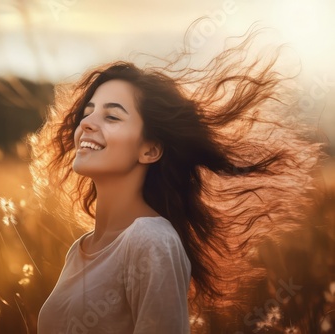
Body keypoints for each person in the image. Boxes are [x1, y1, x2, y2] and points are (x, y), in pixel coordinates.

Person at [30, 29, 325, 334]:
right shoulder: (81, 249)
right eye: (88, 113)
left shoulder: (151, 240)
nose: (87, 123)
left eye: (112, 117)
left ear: (150, 149)